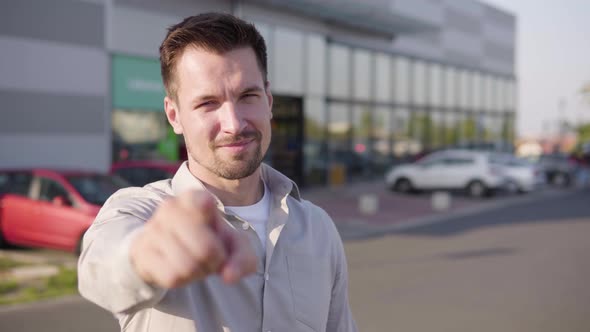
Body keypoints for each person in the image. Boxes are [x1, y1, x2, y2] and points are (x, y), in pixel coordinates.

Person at [78, 12, 358, 332]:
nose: (234, 124)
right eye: (208, 103)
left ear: (268, 101)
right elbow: (101, 270)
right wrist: (148, 255)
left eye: (247, 96)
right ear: (174, 116)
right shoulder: (140, 212)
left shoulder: (318, 229)